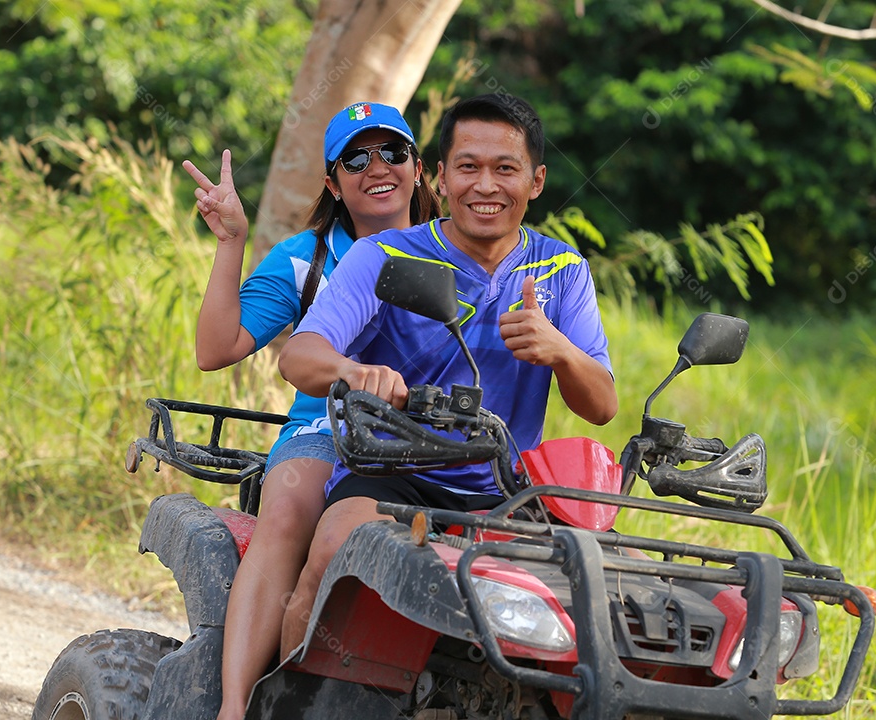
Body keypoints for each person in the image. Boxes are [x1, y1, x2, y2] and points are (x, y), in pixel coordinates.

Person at [277, 92, 619, 657]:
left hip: (505, 489)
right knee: (334, 550)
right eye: (468, 167)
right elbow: (299, 355)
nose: (486, 186)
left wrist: (561, 351)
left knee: (593, 603)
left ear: (535, 181)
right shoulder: (386, 255)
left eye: (505, 169)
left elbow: (602, 405)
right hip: (391, 471)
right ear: (440, 175)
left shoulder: (564, 270)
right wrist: (352, 371)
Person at [183, 102, 442, 720]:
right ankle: (236, 707)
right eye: (356, 158)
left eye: (392, 153)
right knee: (291, 506)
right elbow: (217, 350)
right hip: (327, 432)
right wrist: (231, 244)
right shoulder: (308, 257)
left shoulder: (455, 247)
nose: (376, 168)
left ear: (419, 167)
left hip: (438, 441)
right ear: (333, 182)